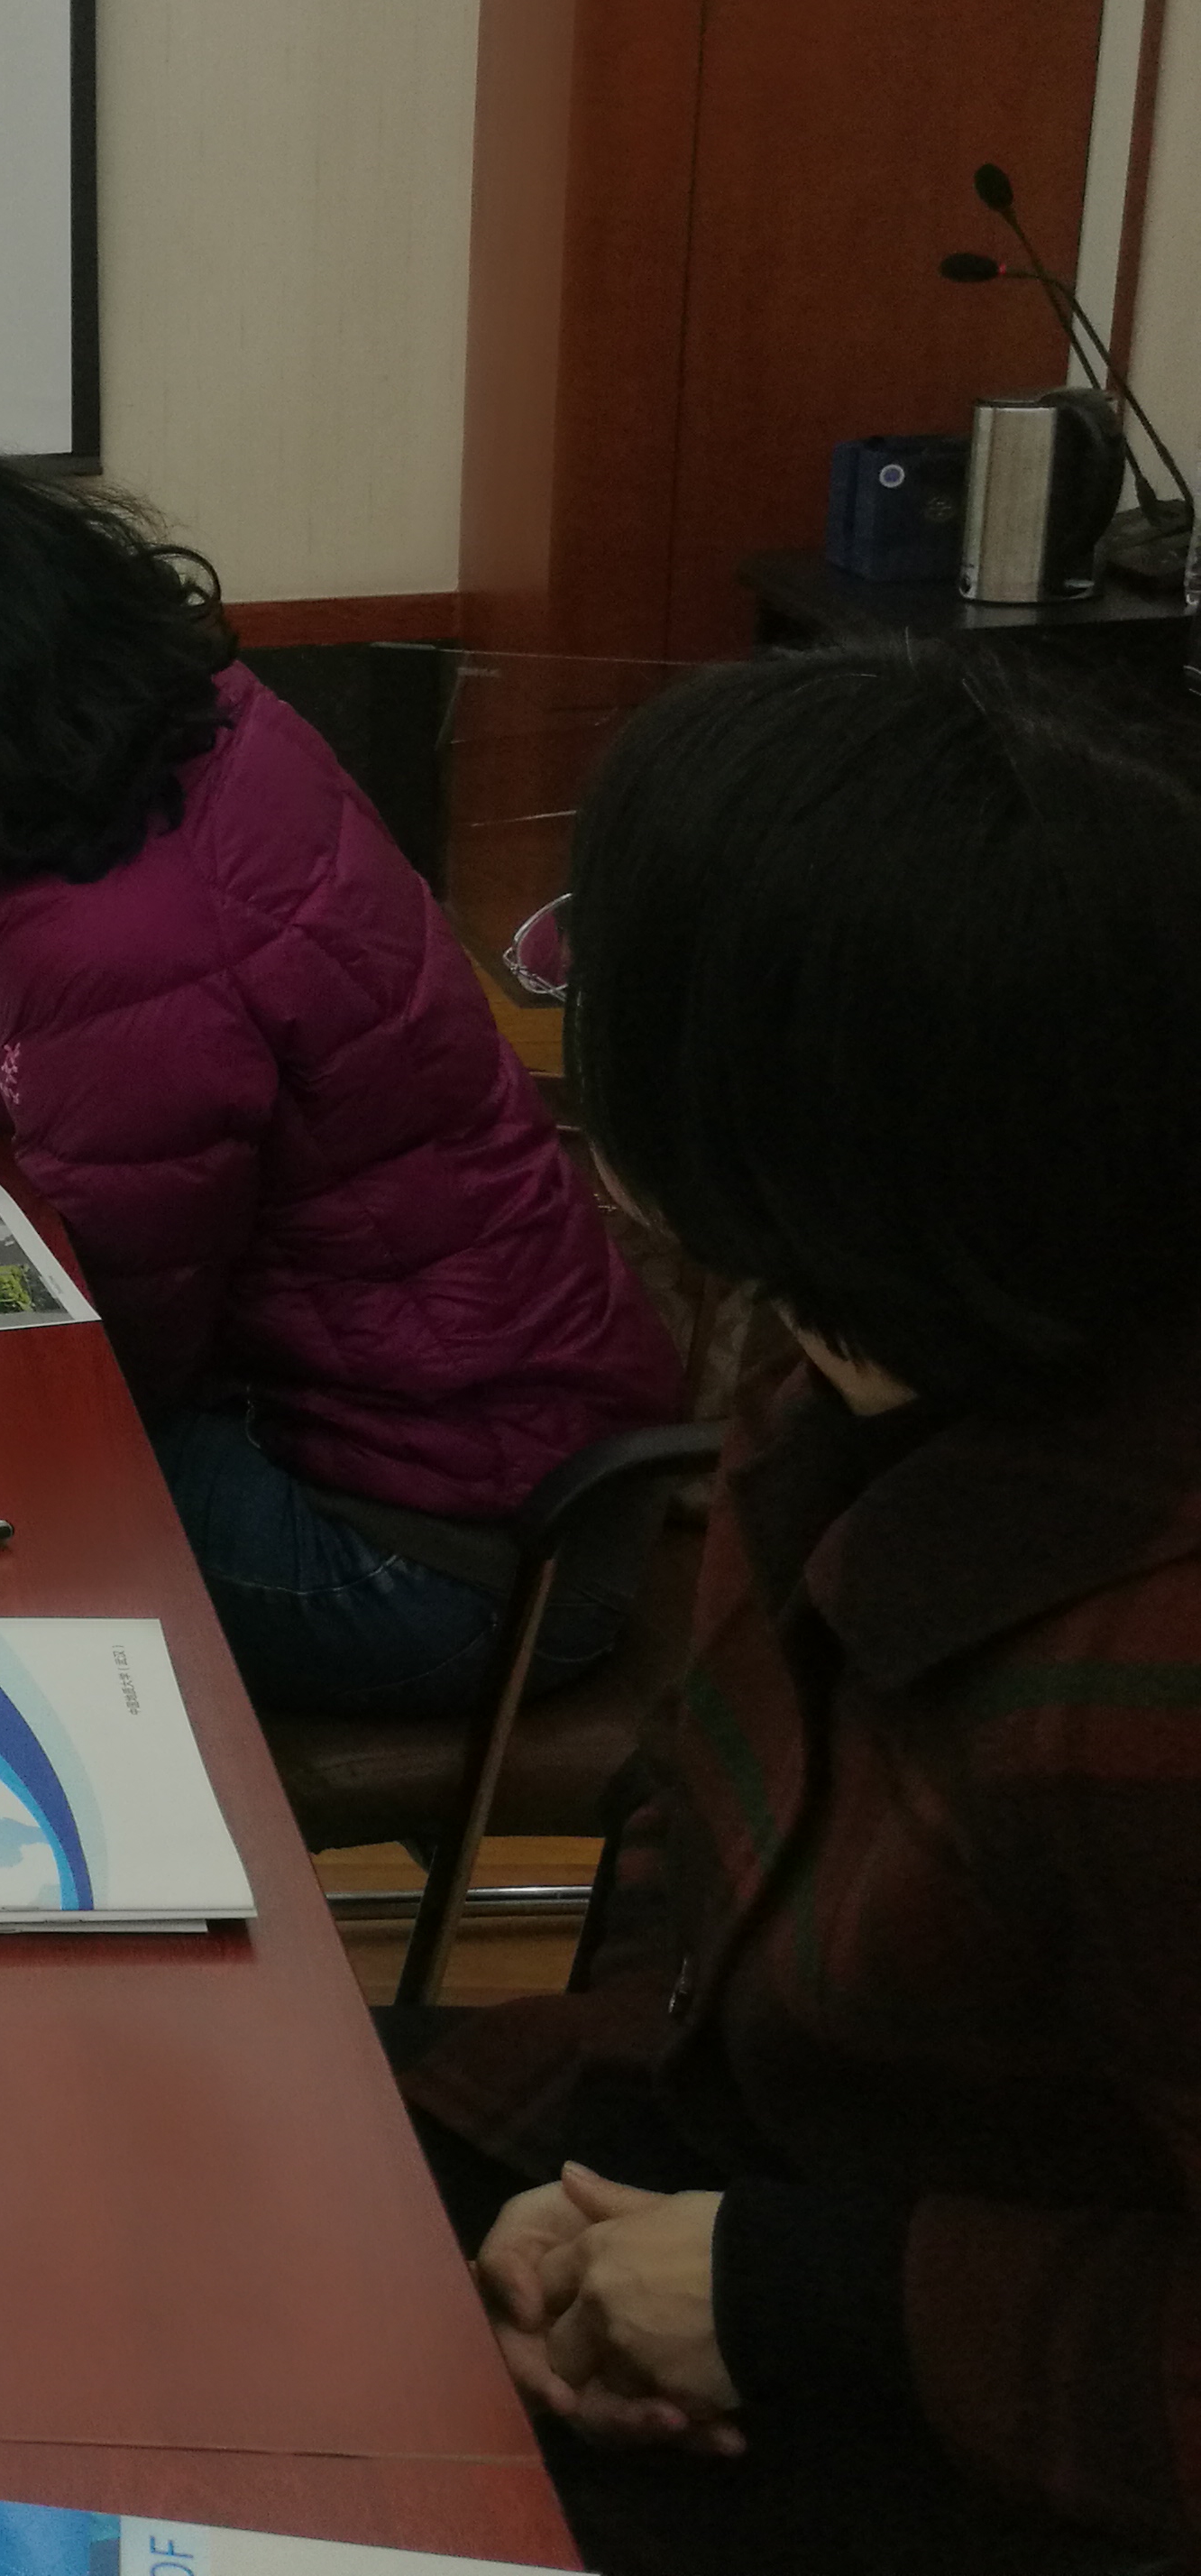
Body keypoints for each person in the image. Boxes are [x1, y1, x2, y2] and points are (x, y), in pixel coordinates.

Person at [392, 644, 1201, 2576]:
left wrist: (797, 2294)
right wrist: (587, 2193)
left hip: (977, 2421)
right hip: (749, 2191)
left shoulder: (1143, 1675)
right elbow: (700, 1882)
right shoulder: (847, 1358)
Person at [0, 426, 674, 1716]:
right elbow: (0, 852)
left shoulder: (120, 945)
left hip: (433, 1559)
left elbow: (106, 1341)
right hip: (524, 1445)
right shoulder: (174, 720)